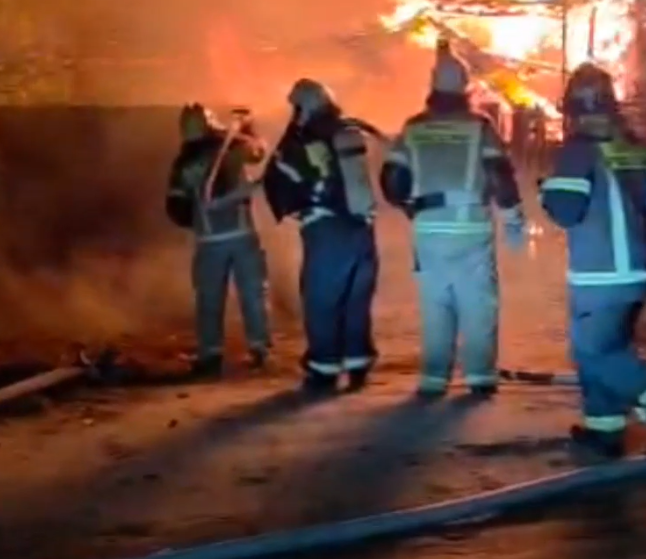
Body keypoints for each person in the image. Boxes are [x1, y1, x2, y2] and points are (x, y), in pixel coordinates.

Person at [539, 62, 646, 459]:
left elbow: (565, 210)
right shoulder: (638, 149)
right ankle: (604, 430)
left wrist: (548, 189)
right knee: (601, 348)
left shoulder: (577, 151)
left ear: (572, 109)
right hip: (637, 269)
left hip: (599, 274)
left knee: (595, 352)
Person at [380, 42, 526, 396]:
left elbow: (391, 180)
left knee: (435, 303)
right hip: (471, 225)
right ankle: (479, 375)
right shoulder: (479, 126)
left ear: (432, 83)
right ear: (465, 85)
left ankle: (433, 378)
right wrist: (512, 218)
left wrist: (412, 208)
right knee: (478, 301)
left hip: (428, 227)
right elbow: (500, 175)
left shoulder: (413, 127)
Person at [262, 79, 379, 394]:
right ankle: (358, 364)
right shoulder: (349, 131)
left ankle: (324, 369)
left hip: (327, 230)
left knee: (322, 300)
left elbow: (277, 176)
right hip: (363, 227)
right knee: (356, 300)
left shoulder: (302, 141)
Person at [166, 104, 271, 376]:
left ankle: (210, 353)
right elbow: (258, 152)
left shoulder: (184, 163)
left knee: (209, 299)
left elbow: (175, 206)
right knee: (252, 294)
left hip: (209, 240)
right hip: (241, 234)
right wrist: (249, 128)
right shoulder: (232, 146)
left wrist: (198, 220)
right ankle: (259, 348)